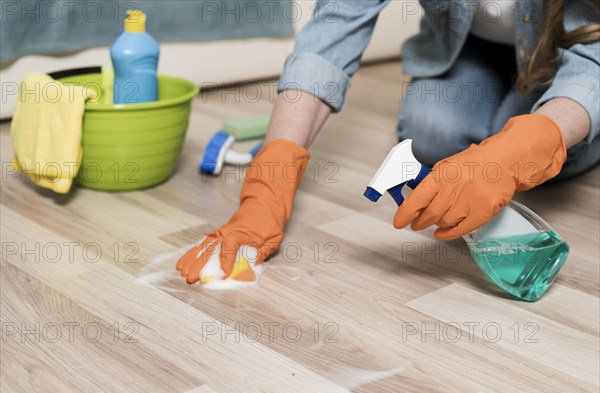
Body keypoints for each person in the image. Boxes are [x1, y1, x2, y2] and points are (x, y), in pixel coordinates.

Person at [177, 0, 600, 284]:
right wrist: (270, 179)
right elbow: (336, 24)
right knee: (433, 131)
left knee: (543, 144)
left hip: (575, 49)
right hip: (469, 47)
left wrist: (534, 140)